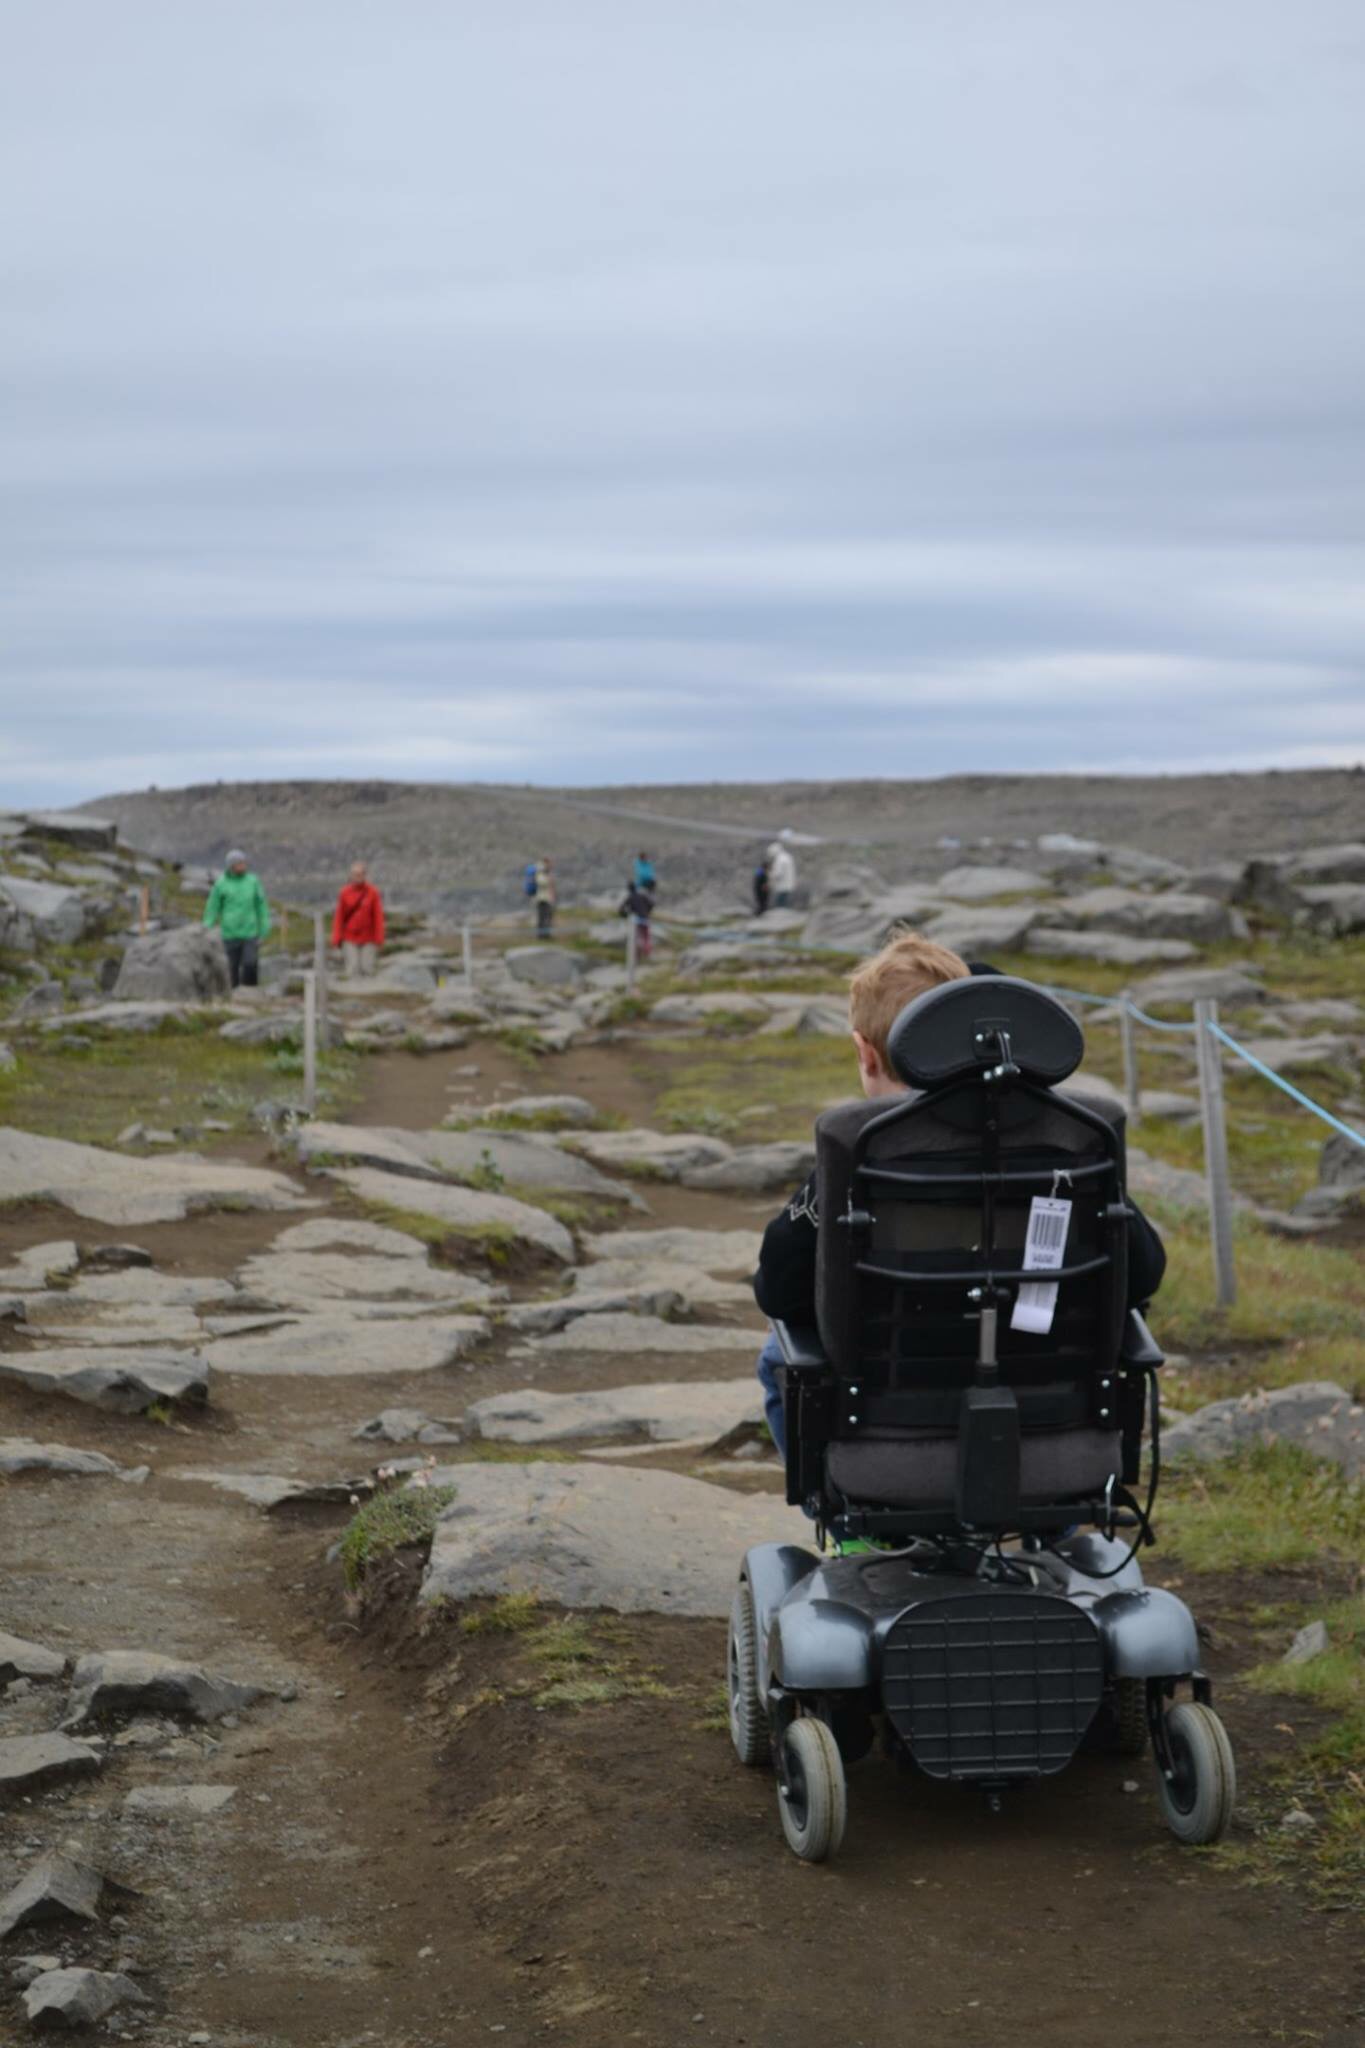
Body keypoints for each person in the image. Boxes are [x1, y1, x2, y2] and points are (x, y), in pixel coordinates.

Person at [751, 931, 1167, 1455]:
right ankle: (1051, 1516)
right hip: (1047, 1407)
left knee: (777, 1350)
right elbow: (1144, 1270)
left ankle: (849, 1528)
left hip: (888, 1412)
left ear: (866, 1052)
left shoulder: (861, 1147)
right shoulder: (1073, 1138)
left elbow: (778, 1288)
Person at [203, 849, 271, 989]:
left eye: (244, 862)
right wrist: (207, 925)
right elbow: (213, 906)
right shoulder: (221, 884)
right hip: (229, 933)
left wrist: (264, 926)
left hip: (250, 932)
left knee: (250, 963)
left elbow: (261, 905)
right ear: (231, 866)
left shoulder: (253, 881)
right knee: (231, 967)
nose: (243, 865)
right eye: (240, 863)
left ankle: (251, 992)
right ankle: (232, 995)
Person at [331, 861, 385, 977]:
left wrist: (379, 938)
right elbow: (339, 917)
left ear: (365, 875)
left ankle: (368, 992)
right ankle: (351, 992)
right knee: (352, 967)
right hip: (349, 937)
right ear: (351, 875)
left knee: (368, 968)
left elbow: (378, 917)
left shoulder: (373, 892)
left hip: (369, 938)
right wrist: (336, 939)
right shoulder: (344, 893)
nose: (358, 877)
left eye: (361, 874)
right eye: (355, 874)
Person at [619, 877, 654, 959]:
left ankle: (637, 954)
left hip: (637, 920)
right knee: (646, 937)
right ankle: (647, 953)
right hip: (645, 918)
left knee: (637, 937)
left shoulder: (630, 897)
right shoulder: (641, 895)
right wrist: (647, 912)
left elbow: (621, 909)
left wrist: (626, 915)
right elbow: (651, 904)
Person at [767, 839, 797, 908]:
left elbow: (778, 873)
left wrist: (770, 875)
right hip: (788, 883)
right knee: (785, 899)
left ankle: (781, 914)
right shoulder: (787, 856)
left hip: (782, 885)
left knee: (780, 902)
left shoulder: (780, 859)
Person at [533, 857, 557, 939]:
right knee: (542, 917)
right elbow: (540, 882)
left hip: (547, 898)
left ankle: (546, 934)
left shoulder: (546, 873)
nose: (551, 865)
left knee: (547, 917)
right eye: (549, 863)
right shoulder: (540, 872)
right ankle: (541, 935)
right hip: (542, 899)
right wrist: (549, 880)